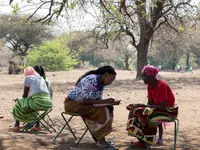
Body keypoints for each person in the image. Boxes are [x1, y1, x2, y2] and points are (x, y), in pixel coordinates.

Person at [64, 66, 120, 150]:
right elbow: (85, 100)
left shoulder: (100, 83)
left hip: (82, 105)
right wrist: (105, 101)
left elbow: (96, 99)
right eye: (111, 79)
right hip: (73, 104)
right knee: (101, 111)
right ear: (105, 75)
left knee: (107, 108)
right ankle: (100, 140)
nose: (111, 82)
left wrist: (109, 102)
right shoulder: (91, 79)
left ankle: (100, 138)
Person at [126, 65, 178, 148]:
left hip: (169, 112)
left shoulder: (162, 85)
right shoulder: (150, 85)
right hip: (159, 109)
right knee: (135, 111)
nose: (143, 78)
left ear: (152, 76)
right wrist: (141, 106)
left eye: (144, 76)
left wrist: (143, 106)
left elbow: (163, 106)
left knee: (145, 114)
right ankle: (142, 139)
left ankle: (147, 141)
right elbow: (150, 103)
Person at [9, 66, 52, 131]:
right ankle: (37, 126)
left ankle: (16, 125)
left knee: (19, 101)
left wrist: (19, 99)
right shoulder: (41, 78)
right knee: (34, 104)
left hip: (37, 103)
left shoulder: (28, 78)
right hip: (48, 104)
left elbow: (24, 96)